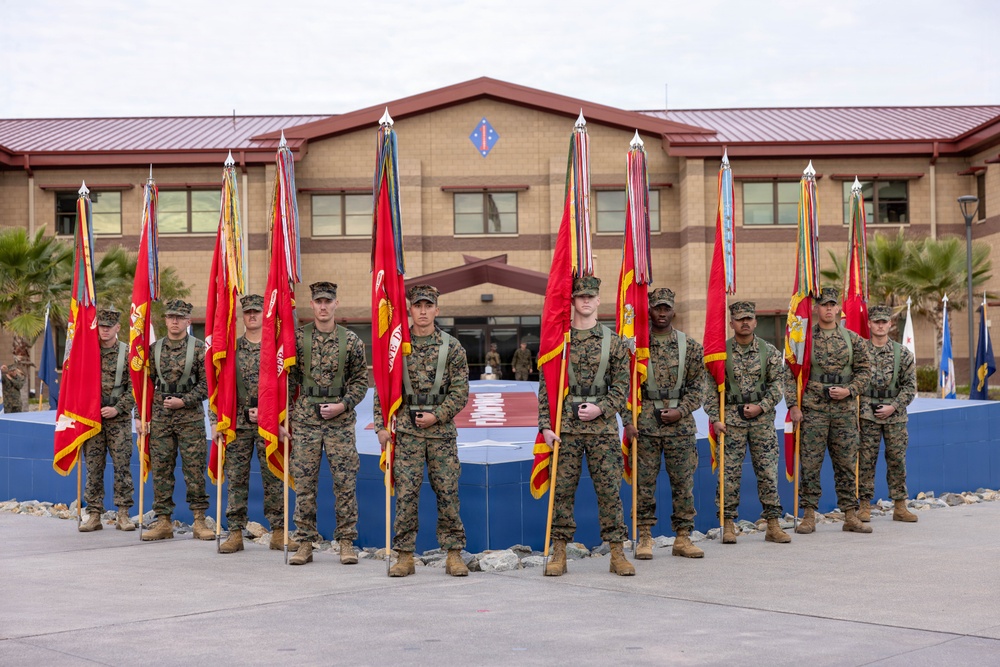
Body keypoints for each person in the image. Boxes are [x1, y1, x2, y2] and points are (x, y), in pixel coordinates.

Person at [375, 285, 470, 577]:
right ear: (410, 309)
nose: (423, 311)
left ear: (437, 310)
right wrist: (381, 426)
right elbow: (383, 389)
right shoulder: (397, 346)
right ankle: (405, 556)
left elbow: (460, 391)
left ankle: (453, 554)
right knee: (406, 496)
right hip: (407, 434)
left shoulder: (452, 347)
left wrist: (436, 415)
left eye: (429, 306)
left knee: (448, 493)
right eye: (418, 306)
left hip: (441, 434)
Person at [541, 276, 634, 576]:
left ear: (598, 301)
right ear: (572, 301)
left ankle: (617, 552)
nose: (585, 301)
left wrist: (601, 408)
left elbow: (621, 387)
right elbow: (546, 387)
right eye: (580, 296)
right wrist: (545, 426)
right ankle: (559, 552)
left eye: (590, 297)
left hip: (602, 429)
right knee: (562, 492)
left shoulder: (613, 342)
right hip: (565, 429)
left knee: (609, 492)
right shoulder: (559, 341)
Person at [287, 282, 369, 566]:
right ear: (312, 304)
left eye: (328, 301)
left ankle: (346, 542)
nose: (323, 306)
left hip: (340, 422)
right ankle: (304, 543)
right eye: (318, 301)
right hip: (305, 421)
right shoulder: (298, 339)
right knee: (304, 484)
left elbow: (360, 381)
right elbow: (287, 380)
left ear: (336, 304)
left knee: (345, 483)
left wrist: (343, 405)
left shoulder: (351, 341)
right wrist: (285, 417)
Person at [625, 287, 706, 560]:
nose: (662, 313)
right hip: (645, 426)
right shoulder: (635, 347)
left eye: (666, 308)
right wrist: (628, 420)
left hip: (680, 427)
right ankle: (644, 537)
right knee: (644, 485)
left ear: (673, 311)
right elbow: (624, 386)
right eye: (657, 308)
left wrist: (681, 411)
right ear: (649, 310)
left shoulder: (690, 347)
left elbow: (699, 387)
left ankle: (683, 537)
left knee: (683, 485)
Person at [787, 287, 872, 535]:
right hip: (813, 409)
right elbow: (790, 373)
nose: (828, 309)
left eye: (832, 305)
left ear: (838, 308)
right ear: (816, 308)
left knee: (846, 463)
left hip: (844, 410)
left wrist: (849, 390)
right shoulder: (804, 339)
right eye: (823, 304)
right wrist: (793, 405)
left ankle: (850, 515)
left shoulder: (853, 339)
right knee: (810, 464)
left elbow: (865, 371)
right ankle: (809, 515)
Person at [705, 301, 790, 545]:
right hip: (730, 422)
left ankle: (772, 524)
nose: (745, 322)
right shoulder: (719, 353)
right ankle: (728, 524)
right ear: (731, 323)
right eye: (740, 319)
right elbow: (708, 388)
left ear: (755, 321)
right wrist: (715, 418)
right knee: (729, 474)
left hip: (762, 421)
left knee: (767, 473)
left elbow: (778, 384)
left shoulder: (769, 351)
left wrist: (761, 406)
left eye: (749, 318)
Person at [219, 294, 292, 554]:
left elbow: (287, 387)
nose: (252, 316)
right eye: (248, 312)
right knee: (236, 479)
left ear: (264, 315)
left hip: (269, 424)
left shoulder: (275, 350)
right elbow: (222, 389)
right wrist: (219, 423)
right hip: (238, 425)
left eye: (257, 312)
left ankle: (279, 532)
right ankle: (235, 533)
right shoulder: (232, 350)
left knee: (273, 478)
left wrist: (281, 420)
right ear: (242, 316)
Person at [141, 300, 212, 541]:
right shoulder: (154, 349)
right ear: (165, 319)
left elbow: (208, 384)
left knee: (194, 469)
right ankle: (163, 521)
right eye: (171, 316)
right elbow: (145, 384)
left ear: (188, 321)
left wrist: (184, 401)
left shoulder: (199, 349)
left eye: (180, 318)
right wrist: (140, 416)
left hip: (190, 417)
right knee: (161, 469)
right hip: (161, 417)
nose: (174, 321)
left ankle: (199, 520)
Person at [858, 304, 918, 523]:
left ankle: (900, 506)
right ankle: (864, 506)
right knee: (866, 460)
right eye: (877, 322)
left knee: (896, 460)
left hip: (895, 415)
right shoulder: (860, 352)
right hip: (867, 413)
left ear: (890, 324)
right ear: (869, 324)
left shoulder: (902, 353)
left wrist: (893, 406)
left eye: (884, 322)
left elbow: (910, 387)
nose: (881, 326)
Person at [80, 307, 136, 532]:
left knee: (122, 467)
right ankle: (94, 515)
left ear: (117, 327)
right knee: (93, 467)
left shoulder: (128, 353)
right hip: (93, 419)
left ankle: (123, 514)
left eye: (109, 326)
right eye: (102, 326)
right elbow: (77, 384)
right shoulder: (87, 352)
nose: (105, 330)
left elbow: (136, 387)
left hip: (118, 420)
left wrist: (118, 408)